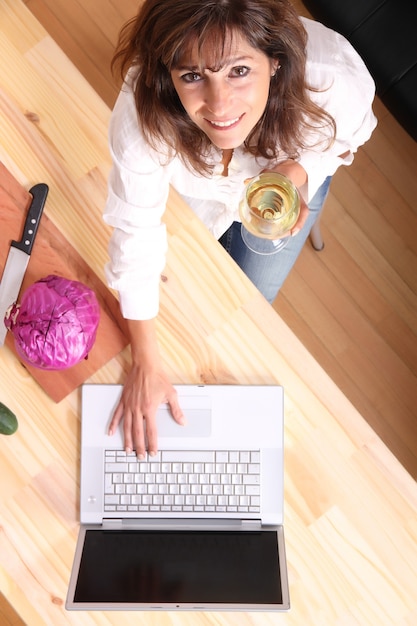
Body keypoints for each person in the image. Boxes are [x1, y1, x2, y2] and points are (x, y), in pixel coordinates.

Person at [103, 0, 377, 457]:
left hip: (284, 194)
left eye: (238, 71)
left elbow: (354, 130)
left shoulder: (331, 78)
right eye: (192, 75)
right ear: (166, 74)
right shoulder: (142, 116)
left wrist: (300, 169)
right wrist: (146, 362)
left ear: (274, 59)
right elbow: (136, 231)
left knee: (247, 303)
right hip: (200, 195)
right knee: (182, 302)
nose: (219, 105)